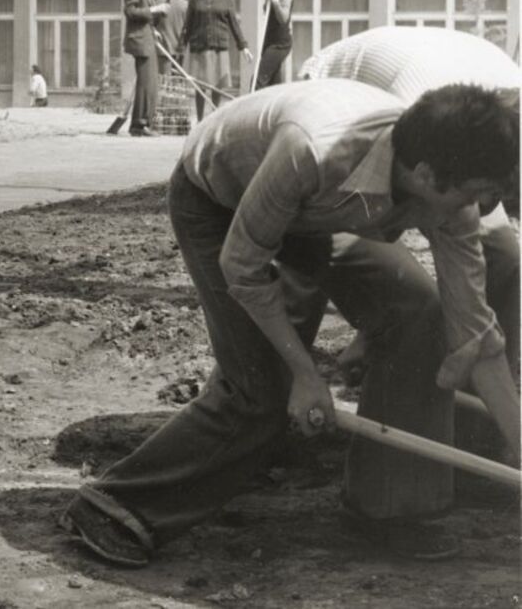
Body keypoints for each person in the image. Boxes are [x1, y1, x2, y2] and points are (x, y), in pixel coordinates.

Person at [61, 81, 519, 565]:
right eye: (478, 193)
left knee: (418, 315)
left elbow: (476, 340)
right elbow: (242, 266)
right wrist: (304, 373)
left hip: (321, 213)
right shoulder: (310, 149)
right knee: (263, 388)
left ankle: (389, 507)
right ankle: (117, 506)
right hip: (222, 202)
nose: (484, 207)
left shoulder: (454, 194)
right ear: (427, 176)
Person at [300, 26, 522, 411]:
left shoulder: (497, 127)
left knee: (505, 254)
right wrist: (373, 327)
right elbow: (399, 198)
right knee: (324, 254)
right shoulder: (432, 121)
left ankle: (486, 412)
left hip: (430, 92)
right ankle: (285, 383)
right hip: (339, 95)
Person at [180, 0, 251, 121]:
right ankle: (199, 120)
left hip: (219, 48)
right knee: (200, 85)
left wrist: (243, 46)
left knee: (218, 85)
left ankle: (213, 117)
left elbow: (234, 24)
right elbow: (188, 24)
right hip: (199, 48)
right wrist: (181, 46)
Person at [122, 0, 168, 137]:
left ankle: (141, 123)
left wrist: (153, 29)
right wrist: (155, 9)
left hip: (146, 37)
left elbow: (142, 16)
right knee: (147, 83)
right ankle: (140, 125)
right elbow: (130, 11)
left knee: (149, 83)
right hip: (140, 41)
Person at [253, 0, 293, 88]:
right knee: (273, 84)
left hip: (279, 44)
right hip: (270, 41)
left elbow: (283, 19)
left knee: (257, 81)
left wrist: (275, 1)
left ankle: (253, 106)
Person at [153, 0, 187, 77]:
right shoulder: (186, 5)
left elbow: (151, 25)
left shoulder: (157, 4)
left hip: (163, 51)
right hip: (181, 51)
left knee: (164, 85)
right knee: (180, 86)